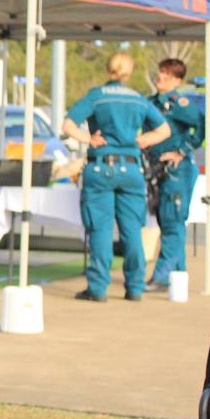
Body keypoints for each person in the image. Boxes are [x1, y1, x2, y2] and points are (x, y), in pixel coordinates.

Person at [62, 52, 170, 302]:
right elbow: (164, 130)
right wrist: (142, 140)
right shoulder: (138, 100)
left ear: (108, 69)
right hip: (131, 169)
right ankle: (135, 287)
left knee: (100, 228)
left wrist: (88, 139)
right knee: (132, 229)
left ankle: (98, 288)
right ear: (129, 73)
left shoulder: (97, 96)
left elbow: (68, 125)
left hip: (101, 167)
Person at [146, 58, 204, 291]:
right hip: (157, 169)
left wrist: (181, 151)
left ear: (177, 80)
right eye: (160, 73)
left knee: (172, 220)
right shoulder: (152, 102)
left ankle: (162, 276)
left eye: (167, 75)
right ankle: (177, 276)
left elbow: (201, 126)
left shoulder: (179, 104)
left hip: (176, 171)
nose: (161, 78)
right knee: (167, 220)